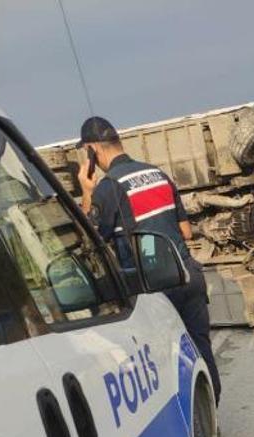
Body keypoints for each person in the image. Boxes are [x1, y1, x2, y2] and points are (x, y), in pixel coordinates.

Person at [76, 116, 221, 405]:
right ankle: (211, 413)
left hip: (154, 286)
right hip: (188, 275)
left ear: (93, 150)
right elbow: (185, 230)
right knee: (200, 347)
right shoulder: (157, 173)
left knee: (164, 361)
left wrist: (87, 191)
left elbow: (90, 239)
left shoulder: (109, 186)